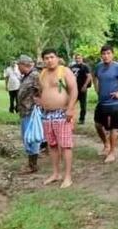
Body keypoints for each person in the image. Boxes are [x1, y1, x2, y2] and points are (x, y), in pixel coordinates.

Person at [37, 48, 78, 188]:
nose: (49, 60)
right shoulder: (42, 73)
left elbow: (74, 89)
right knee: (52, 144)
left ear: (57, 58)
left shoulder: (64, 71)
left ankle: (68, 176)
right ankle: (56, 173)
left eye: (52, 57)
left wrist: (71, 108)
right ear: (43, 60)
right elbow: (41, 90)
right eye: (46, 58)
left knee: (65, 145)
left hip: (62, 113)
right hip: (47, 115)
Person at [92, 45, 118, 163]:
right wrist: (96, 88)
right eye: (104, 54)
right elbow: (94, 76)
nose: (106, 56)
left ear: (112, 54)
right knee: (98, 124)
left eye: (108, 53)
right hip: (101, 102)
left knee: (113, 128)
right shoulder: (98, 67)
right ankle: (106, 144)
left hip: (113, 103)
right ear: (101, 55)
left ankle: (112, 152)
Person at [16, 55, 42, 173]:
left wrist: (37, 102)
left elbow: (41, 91)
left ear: (23, 65)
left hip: (31, 111)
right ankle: (31, 163)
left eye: (18, 65)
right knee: (26, 138)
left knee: (32, 138)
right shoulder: (26, 76)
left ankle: (33, 165)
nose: (17, 68)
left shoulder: (35, 76)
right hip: (24, 111)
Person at [69, 54, 92, 124]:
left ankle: (82, 119)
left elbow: (89, 76)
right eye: (76, 58)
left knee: (83, 105)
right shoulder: (72, 67)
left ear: (82, 59)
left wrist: (85, 86)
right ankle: (70, 118)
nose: (78, 59)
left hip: (82, 89)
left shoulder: (85, 67)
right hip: (74, 89)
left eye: (79, 58)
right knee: (71, 104)